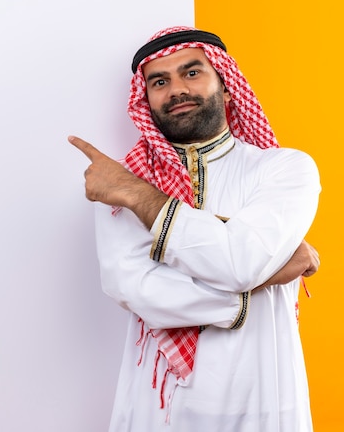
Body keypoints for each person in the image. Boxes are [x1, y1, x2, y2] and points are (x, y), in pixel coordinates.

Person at [69, 26, 321, 431]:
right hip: (159, 408)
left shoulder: (286, 169)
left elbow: (241, 261)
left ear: (224, 81)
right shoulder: (123, 181)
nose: (176, 90)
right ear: (145, 98)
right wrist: (266, 274)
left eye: (191, 73)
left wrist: (140, 197)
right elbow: (138, 291)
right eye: (160, 81)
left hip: (262, 396)